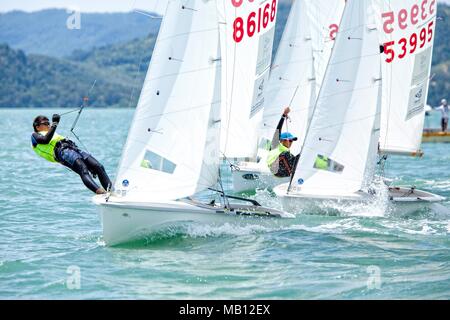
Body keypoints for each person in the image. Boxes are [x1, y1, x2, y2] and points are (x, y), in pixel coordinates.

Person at [31, 114, 112, 194]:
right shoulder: (35, 135)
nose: (49, 125)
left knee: (98, 166)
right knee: (83, 169)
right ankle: (100, 192)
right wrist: (55, 124)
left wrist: (53, 126)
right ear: (37, 127)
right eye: (45, 123)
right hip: (62, 152)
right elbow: (45, 140)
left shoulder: (50, 133)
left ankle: (111, 191)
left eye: (49, 123)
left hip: (73, 148)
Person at [266, 107, 300, 177]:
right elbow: (278, 130)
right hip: (274, 168)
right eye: (289, 140)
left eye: (292, 141)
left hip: (284, 172)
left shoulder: (288, 154)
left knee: (298, 157)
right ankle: (292, 174)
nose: (290, 143)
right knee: (286, 154)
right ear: (281, 140)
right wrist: (284, 115)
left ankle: (294, 177)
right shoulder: (275, 145)